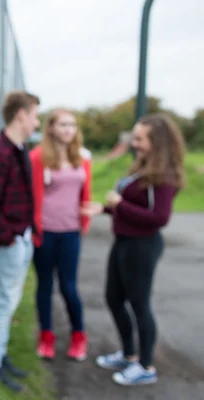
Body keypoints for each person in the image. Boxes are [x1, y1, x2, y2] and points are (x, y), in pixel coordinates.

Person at [82, 113, 186, 386]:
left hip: (142, 246)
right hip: (124, 242)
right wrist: (104, 209)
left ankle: (146, 366)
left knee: (139, 304)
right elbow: (134, 208)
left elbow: (158, 218)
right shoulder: (143, 167)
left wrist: (118, 205)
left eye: (140, 139)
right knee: (114, 298)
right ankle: (129, 354)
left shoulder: (164, 175)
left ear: (157, 142)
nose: (134, 143)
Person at [0, 90, 41, 392]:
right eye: (35, 115)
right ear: (21, 115)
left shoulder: (19, 149)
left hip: (20, 237)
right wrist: (10, 239)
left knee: (9, 301)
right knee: (2, 302)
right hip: (8, 243)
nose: (37, 121)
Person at [29, 109, 92, 361]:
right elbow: (34, 194)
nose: (68, 129)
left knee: (68, 286)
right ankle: (46, 336)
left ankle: (79, 336)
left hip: (70, 232)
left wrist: (84, 221)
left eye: (72, 125)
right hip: (45, 232)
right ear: (51, 128)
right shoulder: (37, 157)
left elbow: (85, 193)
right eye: (63, 124)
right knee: (45, 285)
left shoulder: (83, 158)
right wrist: (35, 229)